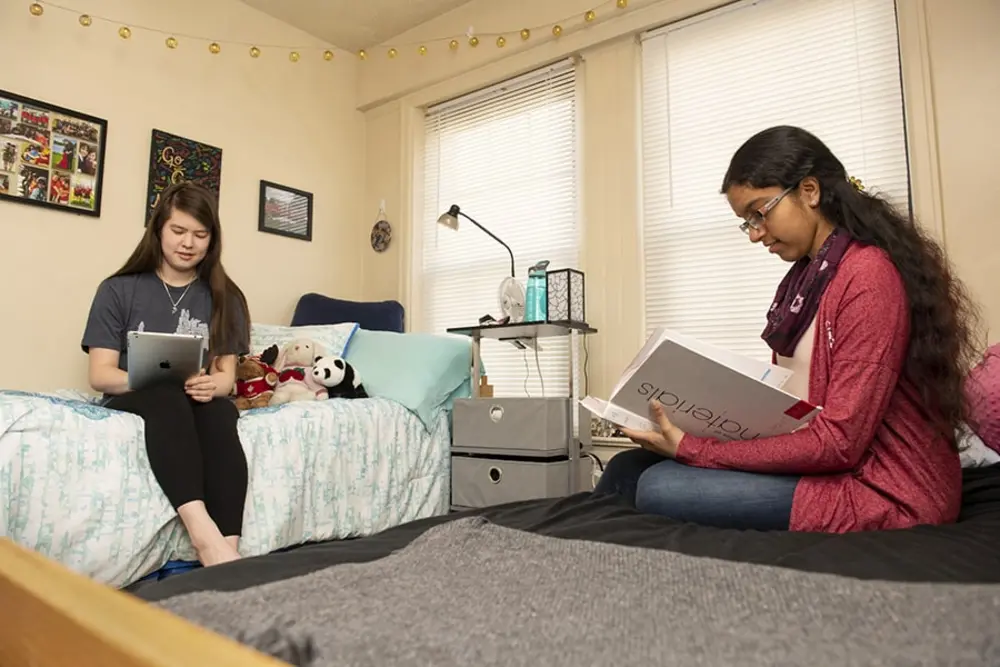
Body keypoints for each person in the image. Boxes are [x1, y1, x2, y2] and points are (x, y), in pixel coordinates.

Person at [594, 125, 982, 533]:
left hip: (883, 488)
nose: (755, 234)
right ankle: (580, 566)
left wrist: (696, 448)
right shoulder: (804, 282)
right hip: (832, 467)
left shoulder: (868, 277)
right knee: (627, 466)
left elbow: (839, 442)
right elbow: (797, 406)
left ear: (810, 191)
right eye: (747, 222)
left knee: (659, 487)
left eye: (760, 213)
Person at [82, 181, 252, 565]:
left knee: (220, 411)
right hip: (136, 396)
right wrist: (151, 378)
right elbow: (101, 374)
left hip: (192, 398)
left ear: (212, 240)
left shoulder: (226, 296)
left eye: (200, 234)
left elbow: (227, 377)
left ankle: (230, 549)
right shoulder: (117, 290)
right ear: (158, 228)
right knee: (166, 399)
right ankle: (204, 536)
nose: (187, 243)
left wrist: (214, 384)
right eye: (178, 230)